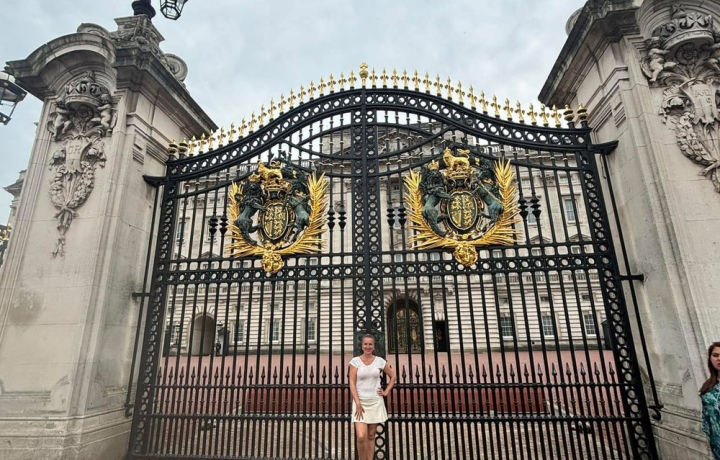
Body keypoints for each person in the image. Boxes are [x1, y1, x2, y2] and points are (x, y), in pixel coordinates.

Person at [349, 334, 396, 460]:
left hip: (375, 401)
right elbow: (352, 383)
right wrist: (357, 403)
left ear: (374, 346)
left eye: (370, 344)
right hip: (360, 402)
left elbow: (393, 376)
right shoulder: (355, 362)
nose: (368, 346)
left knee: (371, 436)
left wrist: (386, 391)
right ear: (362, 346)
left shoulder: (380, 361)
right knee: (361, 436)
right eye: (366, 344)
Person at [700, 341, 720, 459]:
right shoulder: (708, 387)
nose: (719, 358)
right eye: (715, 355)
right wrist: (707, 438)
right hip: (717, 444)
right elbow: (706, 415)